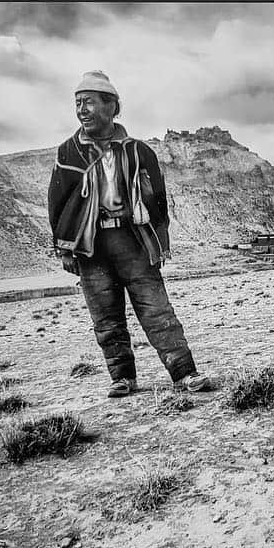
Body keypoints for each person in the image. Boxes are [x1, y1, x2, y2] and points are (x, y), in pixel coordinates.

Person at [48, 71, 210, 398]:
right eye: (78, 103)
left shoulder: (138, 151)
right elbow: (57, 200)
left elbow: (158, 200)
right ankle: (122, 378)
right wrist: (64, 248)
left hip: (132, 241)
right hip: (90, 245)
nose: (82, 110)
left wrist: (158, 243)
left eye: (89, 102)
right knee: (105, 316)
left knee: (156, 310)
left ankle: (184, 373)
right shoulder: (68, 152)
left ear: (112, 107)